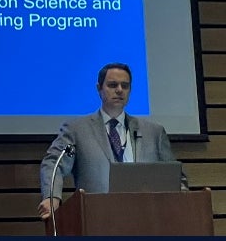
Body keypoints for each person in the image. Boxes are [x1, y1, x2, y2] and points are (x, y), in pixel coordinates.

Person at [37, 62, 188, 220]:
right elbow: (54, 163)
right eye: (112, 85)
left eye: (125, 85)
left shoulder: (154, 132)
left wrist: (184, 202)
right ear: (99, 88)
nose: (119, 90)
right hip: (97, 218)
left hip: (147, 218)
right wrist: (52, 197)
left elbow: (175, 176)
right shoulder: (77, 130)